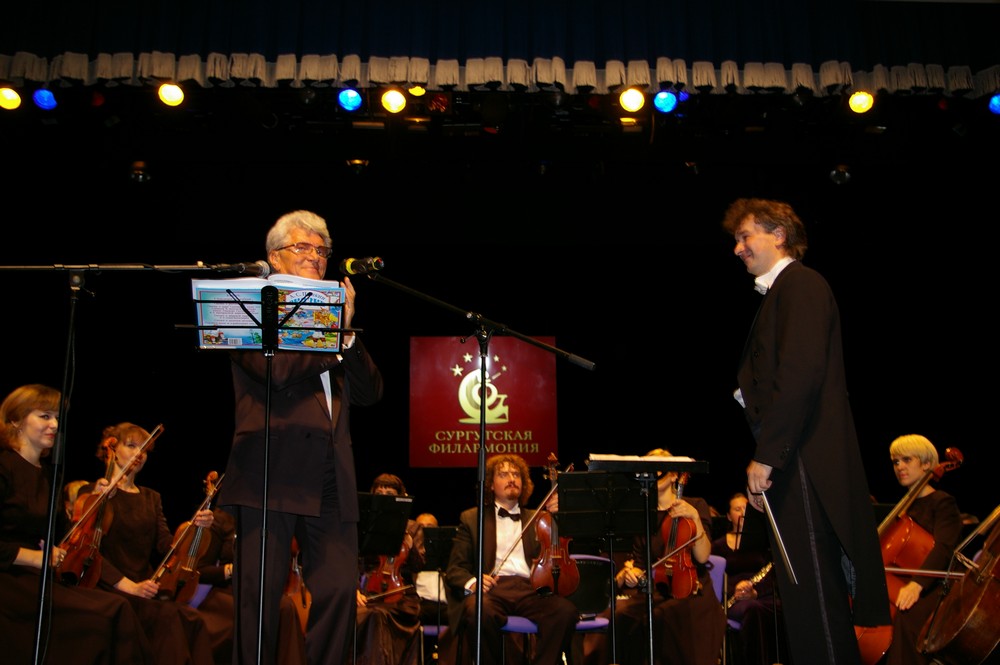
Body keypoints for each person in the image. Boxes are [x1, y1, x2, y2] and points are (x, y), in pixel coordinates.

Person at [722, 197, 891, 665]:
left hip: (804, 463)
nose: (737, 248)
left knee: (815, 602)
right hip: (793, 460)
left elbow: (800, 375)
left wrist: (767, 457)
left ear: (779, 235)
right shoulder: (783, 293)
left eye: (745, 236)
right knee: (804, 602)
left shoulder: (801, 284)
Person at [218, 209, 385, 665]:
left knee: (338, 594)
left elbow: (370, 392)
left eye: (321, 250)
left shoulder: (332, 316)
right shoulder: (248, 305)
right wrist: (329, 331)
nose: (315, 256)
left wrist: (345, 334)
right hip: (269, 470)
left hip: (332, 477)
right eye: (302, 247)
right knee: (259, 601)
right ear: (274, 257)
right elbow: (276, 373)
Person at [0, 384, 155, 664]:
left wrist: (96, 501)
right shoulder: (3, 466)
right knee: (104, 616)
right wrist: (35, 557)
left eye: (56, 417)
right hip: (9, 578)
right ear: (15, 420)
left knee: (117, 608)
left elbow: (67, 535)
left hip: (38, 576)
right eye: (45, 416)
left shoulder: (49, 475)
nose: (54, 425)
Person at [90, 421, 216, 665]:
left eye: (144, 449)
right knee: (167, 619)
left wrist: (195, 528)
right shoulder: (94, 492)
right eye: (131, 445)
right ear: (112, 449)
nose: (139, 453)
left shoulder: (151, 498)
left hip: (143, 586)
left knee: (193, 620)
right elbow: (89, 551)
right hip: (108, 585)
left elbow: (166, 545)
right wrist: (129, 586)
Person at [442, 453, 579, 665]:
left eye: (516, 474)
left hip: (531, 589)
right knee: (477, 611)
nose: (511, 479)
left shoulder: (539, 518)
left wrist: (561, 517)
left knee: (565, 612)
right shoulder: (472, 518)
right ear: (490, 484)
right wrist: (474, 582)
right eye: (503, 474)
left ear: (524, 484)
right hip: (494, 589)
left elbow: (565, 549)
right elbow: (455, 569)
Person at [610, 448, 726, 665]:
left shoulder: (695, 505)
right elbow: (642, 565)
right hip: (659, 590)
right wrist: (633, 574)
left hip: (692, 590)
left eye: (658, 468)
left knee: (664, 616)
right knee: (622, 616)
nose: (652, 473)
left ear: (673, 475)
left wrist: (695, 519)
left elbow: (703, 557)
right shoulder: (643, 515)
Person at [881, 434, 963, 665]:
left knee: (907, 617)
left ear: (927, 464)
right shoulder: (904, 507)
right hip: (909, 582)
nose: (900, 467)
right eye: (896, 462)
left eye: (907, 460)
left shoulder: (942, 502)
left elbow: (944, 548)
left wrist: (917, 585)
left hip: (937, 585)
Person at [193, 507, 308, 665]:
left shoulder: (272, 516)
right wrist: (233, 569)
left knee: (285, 607)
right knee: (257, 612)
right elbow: (201, 571)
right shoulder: (222, 518)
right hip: (228, 594)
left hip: (262, 591)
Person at [353, 473, 424, 665]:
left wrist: (409, 542)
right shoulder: (363, 527)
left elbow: (419, 565)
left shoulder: (413, 528)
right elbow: (352, 562)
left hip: (403, 599)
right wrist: (354, 590)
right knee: (371, 614)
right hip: (367, 594)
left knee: (377, 615)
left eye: (390, 494)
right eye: (379, 494)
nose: (384, 498)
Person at [710, 492, 787, 665]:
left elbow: (772, 574)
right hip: (734, 598)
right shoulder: (718, 546)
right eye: (737, 509)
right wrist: (737, 590)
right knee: (753, 609)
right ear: (728, 516)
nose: (743, 513)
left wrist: (755, 592)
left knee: (784, 608)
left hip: (761, 594)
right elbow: (715, 578)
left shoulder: (763, 543)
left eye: (746, 508)